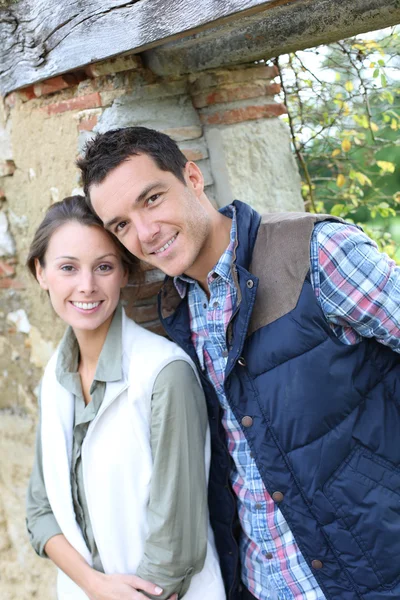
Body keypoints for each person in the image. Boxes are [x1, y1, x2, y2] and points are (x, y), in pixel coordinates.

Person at [78, 127, 400, 600]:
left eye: (151, 199)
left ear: (192, 176)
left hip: (370, 574)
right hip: (261, 584)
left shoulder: (314, 251)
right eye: (121, 225)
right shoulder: (178, 309)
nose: (145, 234)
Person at [26, 195, 226, 600]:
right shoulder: (54, 378)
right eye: (68, 268)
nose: (87, 286)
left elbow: (176, 549)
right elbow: (40, 513)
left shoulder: (164, 373)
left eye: (104, 267)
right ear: (41, 272)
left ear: (124, 274)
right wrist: (94, 585)